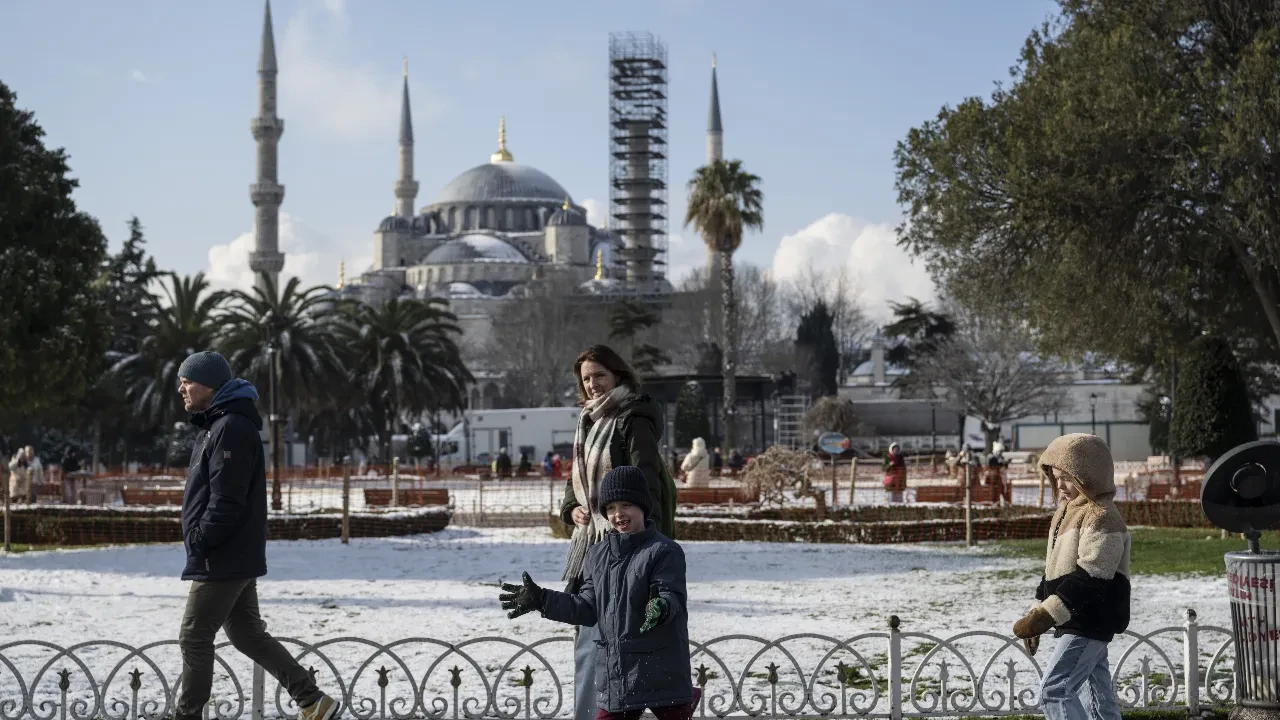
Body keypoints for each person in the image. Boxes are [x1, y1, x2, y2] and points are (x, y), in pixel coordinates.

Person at [174, 351, 338, 720]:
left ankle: (187, 716)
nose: (180, 388)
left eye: (186, 380)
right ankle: (312, 700)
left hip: (223, 556)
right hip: (232, 554)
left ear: (208, 384)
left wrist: (201, 538)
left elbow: (227, 499)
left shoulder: (231, 426)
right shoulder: (217, 424)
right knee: (247, 634)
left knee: (194, 637)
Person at [501, 466, 699, 720]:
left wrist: (660, 607)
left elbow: (671, 594)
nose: (619, 514)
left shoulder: (663, 550)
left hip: (661, 668)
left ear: (642, 507)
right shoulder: (597, 554)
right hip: (618, 672)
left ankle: (687, 698)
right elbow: (586, 607)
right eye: (611, 508)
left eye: (626, 504)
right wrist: (542, 599)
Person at [557, 344, 676, 720]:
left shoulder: (631, 417)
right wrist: (571, 510)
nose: (592, 384)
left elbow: (647, 483)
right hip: (591, 543)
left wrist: (643, 547)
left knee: (613, 640)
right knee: (592, 635)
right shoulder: (588, 421)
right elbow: (574, 481)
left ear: (618, 375)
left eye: (599, 376)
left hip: (623, 545)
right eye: (586, 378)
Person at [1013, 433, 1130, 720]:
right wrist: (1037, 608)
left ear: (1090, 474)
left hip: (1090, 616)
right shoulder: (1067, 510)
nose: (1061, 485)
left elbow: (1092, 576)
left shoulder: (1102, 516)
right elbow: (1053, 569)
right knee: (1098, 700)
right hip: (1076, 616)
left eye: (1067, 477)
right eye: (1055, 478)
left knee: (1054, 690)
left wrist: (1047, 614)